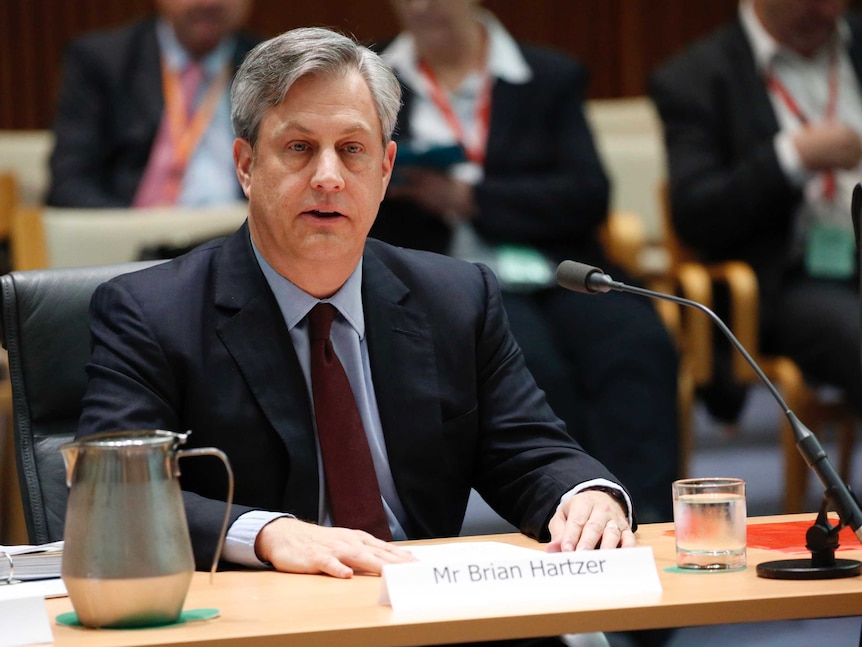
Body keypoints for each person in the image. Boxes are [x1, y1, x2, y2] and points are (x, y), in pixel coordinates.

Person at [76, 25, 636, 616]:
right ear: (245, 165)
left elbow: (530, 451)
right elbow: (110, 496)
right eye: (298, 148)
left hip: (424, 613)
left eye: (352, 149)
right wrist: (267, 533)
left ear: (386, 167)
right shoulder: (148, 312)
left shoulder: (456, 297)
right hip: (261, 619)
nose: (328, 177)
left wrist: (585, 493)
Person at [371, 0, 680, 525]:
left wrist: (470, 199)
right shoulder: (371, 79)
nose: (422, 6)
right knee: (532, 362)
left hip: (558, 267)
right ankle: (576, 515)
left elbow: (586, 194)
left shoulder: (547, 74)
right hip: (449, 279)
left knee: (635, 342)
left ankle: (648, 516)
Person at [649, 0, 862, 423]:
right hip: (788, 281)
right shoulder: (696, 77)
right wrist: (791, 158)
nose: (827, 11)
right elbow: (697, 214)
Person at [47, 0, 259, 208]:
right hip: (132, 233)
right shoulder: (102, 61)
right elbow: (70, 184)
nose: (208, 3)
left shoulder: (270, 69)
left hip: (239, 233)